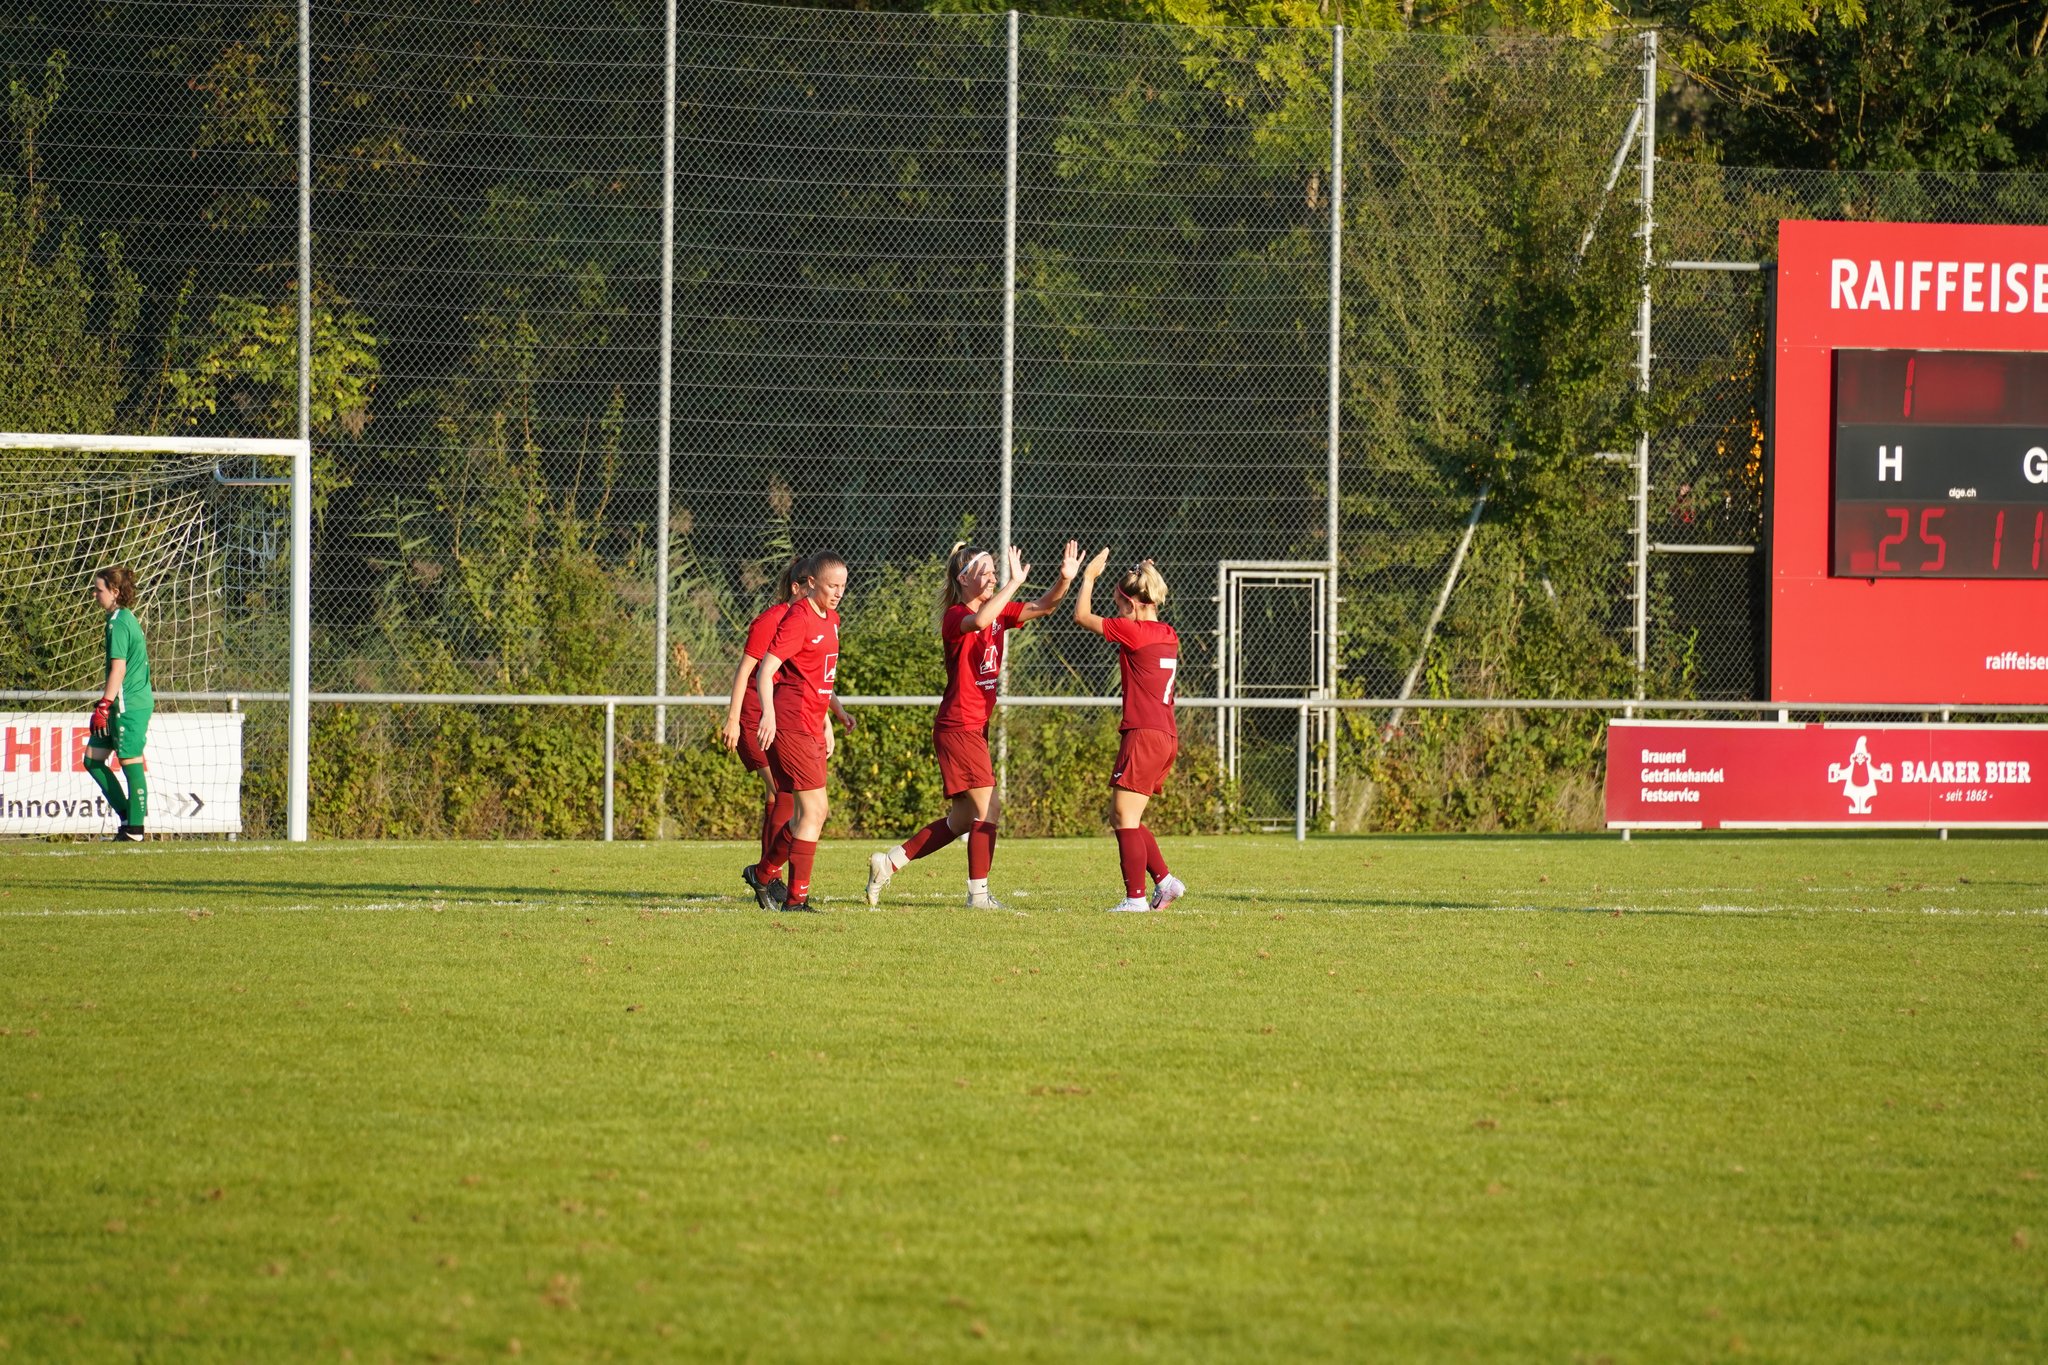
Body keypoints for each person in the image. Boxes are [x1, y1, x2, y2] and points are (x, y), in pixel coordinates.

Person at [866, 539, 1080, 910]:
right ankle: (978, 895)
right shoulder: (955, 615)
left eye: (996, 572)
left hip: (972, 727)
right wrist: (1014, 583)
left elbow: (1045, 605)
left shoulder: (999, 611)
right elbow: (979, 620)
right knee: (989, 809)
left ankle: (889, 863)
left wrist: (1065, 579)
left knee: (962, 819)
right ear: (963, 579)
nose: (994, 578)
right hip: (959, 725)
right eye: (987, 573)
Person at [722, 554, 856, 901]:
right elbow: (764, 671)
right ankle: (794, 899)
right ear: (810, 583)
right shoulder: (795, 617)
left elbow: (816, 676)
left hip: (810, 722)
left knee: (805, 812)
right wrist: (765, 714)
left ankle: (763, 873)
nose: (839, 592)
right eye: (832, 585)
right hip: (790, 722)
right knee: (812, 810)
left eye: (843, 585)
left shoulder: (832, 619)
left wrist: (834, 712)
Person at [1073, 549, 1185, 912]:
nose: (1117, 612)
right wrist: (1146, 573)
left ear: (1133, 604)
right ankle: (1165, 882)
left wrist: (1088, 577)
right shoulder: (1168, 632)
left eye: (1119, 605)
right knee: (1121, 815)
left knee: (1125, 817)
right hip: (1164, 734)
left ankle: (1135, 898)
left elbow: (1081, 616)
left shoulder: (1134, 631)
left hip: (1145, 733)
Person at [86, 565, 152, 843]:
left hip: (128, 704)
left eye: (98, 590)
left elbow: (119, 669)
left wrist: (104, 705)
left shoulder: (119, 622)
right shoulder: (121, 617)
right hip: (120, 704)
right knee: (92, 759)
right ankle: (128, 816)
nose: (94, 594)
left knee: (129, 761)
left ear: (114, 591)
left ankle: (135, 830)